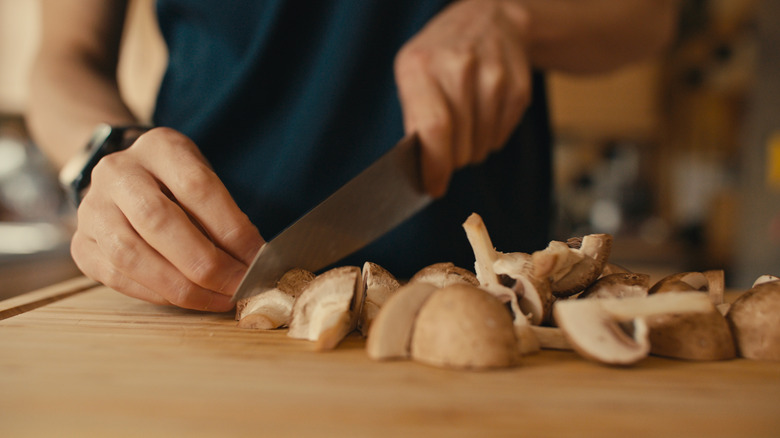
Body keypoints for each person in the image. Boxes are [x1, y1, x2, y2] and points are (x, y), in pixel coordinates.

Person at [27, 0, 678, 312]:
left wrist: (514, 17)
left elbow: (650, 16)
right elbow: (63, 59)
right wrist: (104, 153)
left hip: (490, 309)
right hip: (197, 290)